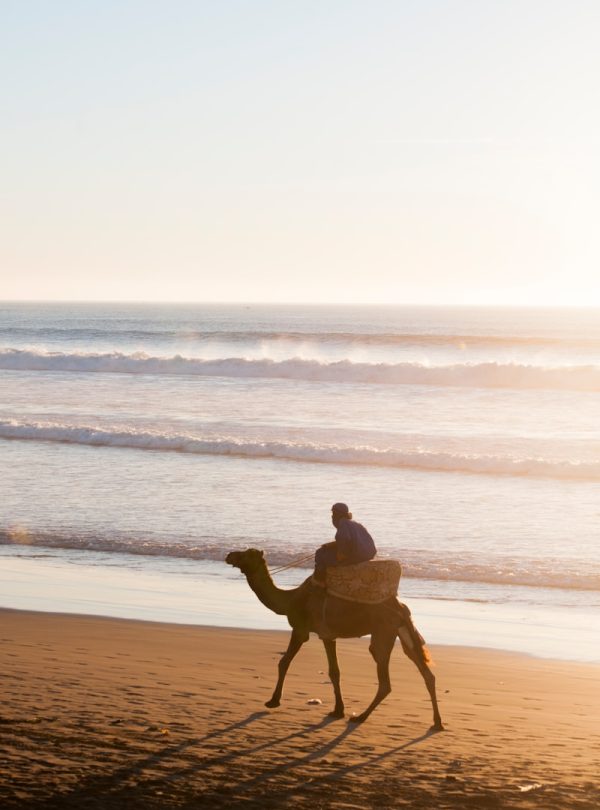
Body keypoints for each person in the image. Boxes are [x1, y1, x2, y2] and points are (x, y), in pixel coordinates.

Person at [313, 502, 377, 585]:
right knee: (326, 550)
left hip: (357, 556)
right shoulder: (355, 524)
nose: (332, 516)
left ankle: (320, 582)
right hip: (369, 554)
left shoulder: (342, 524)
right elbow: (352, 540)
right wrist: (329, 545)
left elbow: (344, 539)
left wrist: (341, 555)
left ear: (336, 514)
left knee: (320, 553)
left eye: (333, 513)